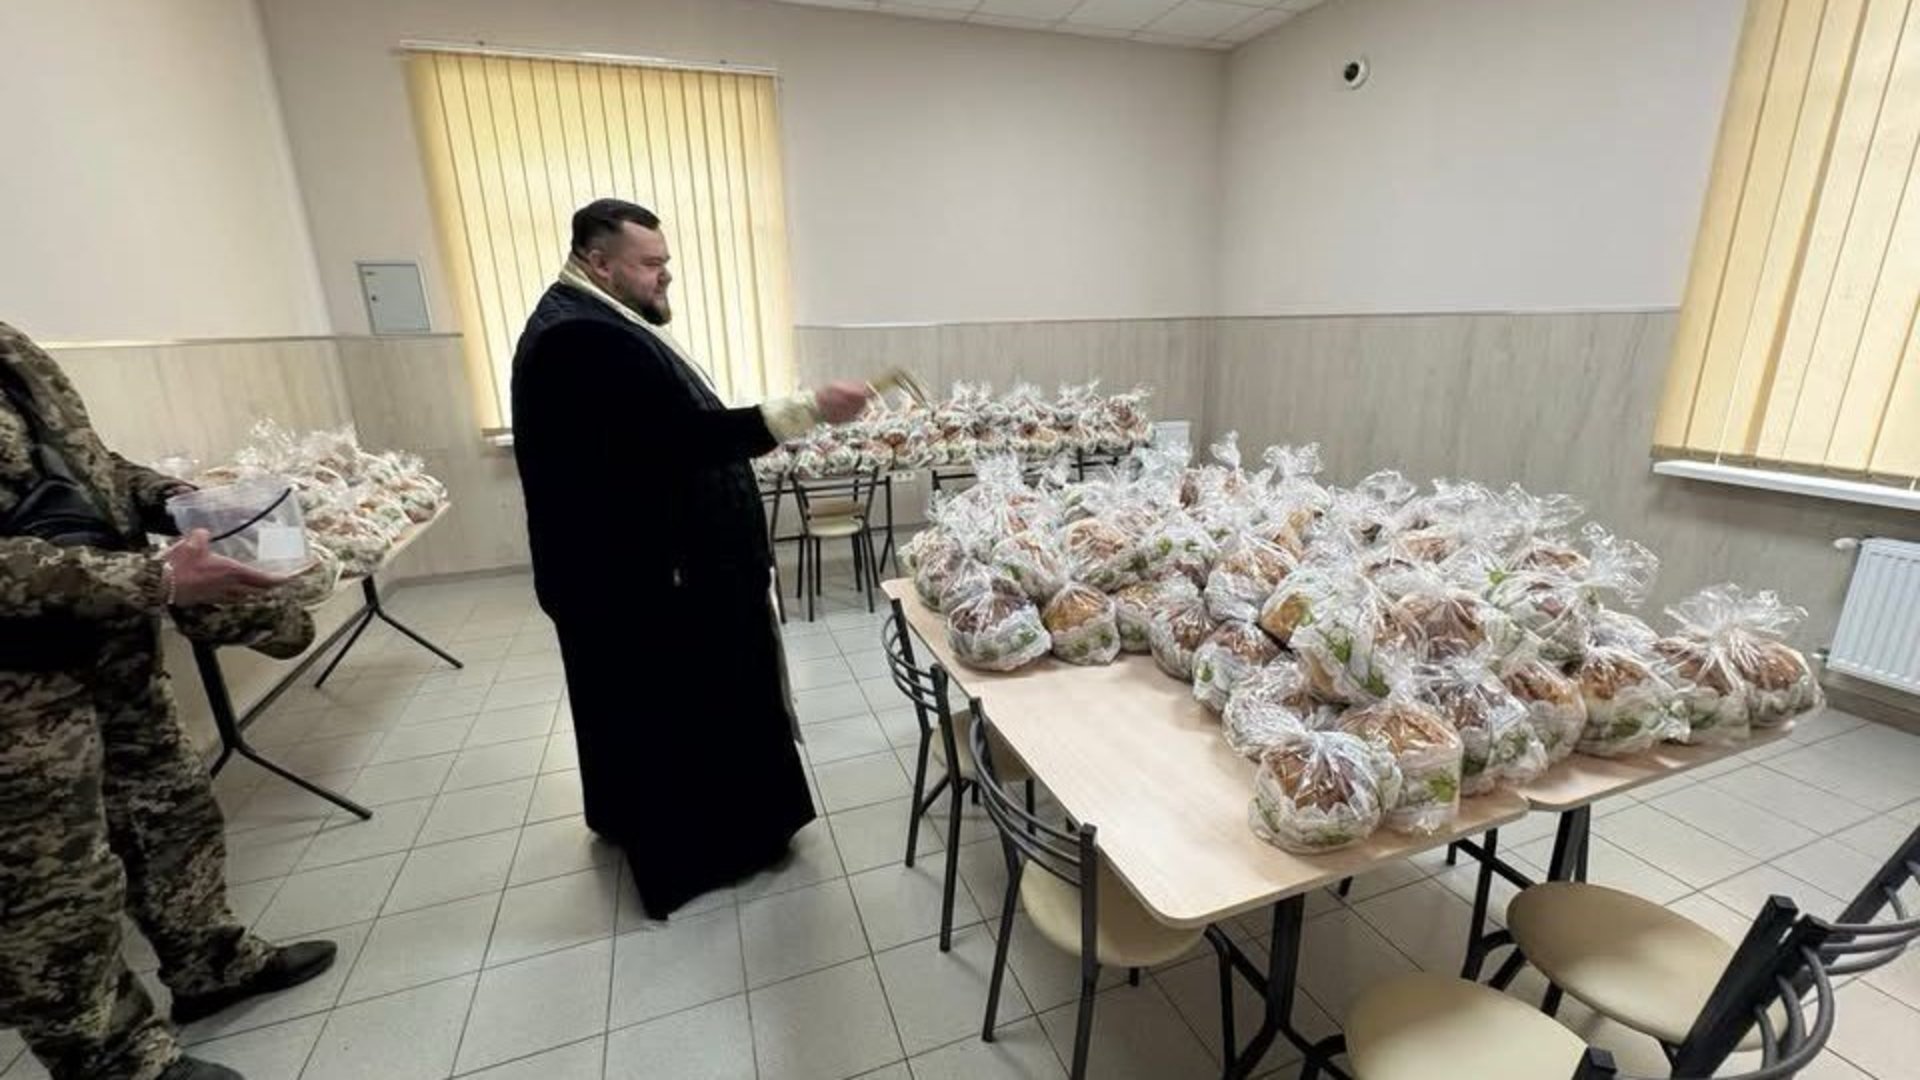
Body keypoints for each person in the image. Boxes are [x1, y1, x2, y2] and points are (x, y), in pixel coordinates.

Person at [512, 199, 868, 919]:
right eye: (651, 264)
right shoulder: (581, 336)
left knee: (633, 717)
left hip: (632, 573)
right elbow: (681, 440)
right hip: (648, 583)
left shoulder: (592, 318)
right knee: (683, 716)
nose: (665, 276)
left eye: (665, 262)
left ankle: (636, 821)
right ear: (598, 261)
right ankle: (717, 852)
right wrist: (806, 409)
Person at [0, 321, 338, 1080]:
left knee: (170, 812)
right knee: (50, 892)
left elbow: (87, 466)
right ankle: (114, 1060)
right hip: (19, 694)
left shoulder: (11, 348)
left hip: (108, 648)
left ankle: (211, 962)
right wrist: (155, 580)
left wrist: (178, 501)